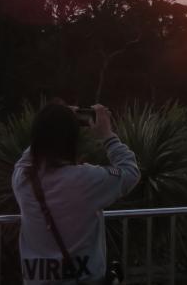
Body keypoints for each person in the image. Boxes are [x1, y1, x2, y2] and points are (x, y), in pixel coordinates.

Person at [12, 103, 140, 284]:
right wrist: (107, 135)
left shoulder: (23, 179)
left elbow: (29, 157)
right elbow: (130, 171)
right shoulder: (87, 179)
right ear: (72, 140)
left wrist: (50, 126)